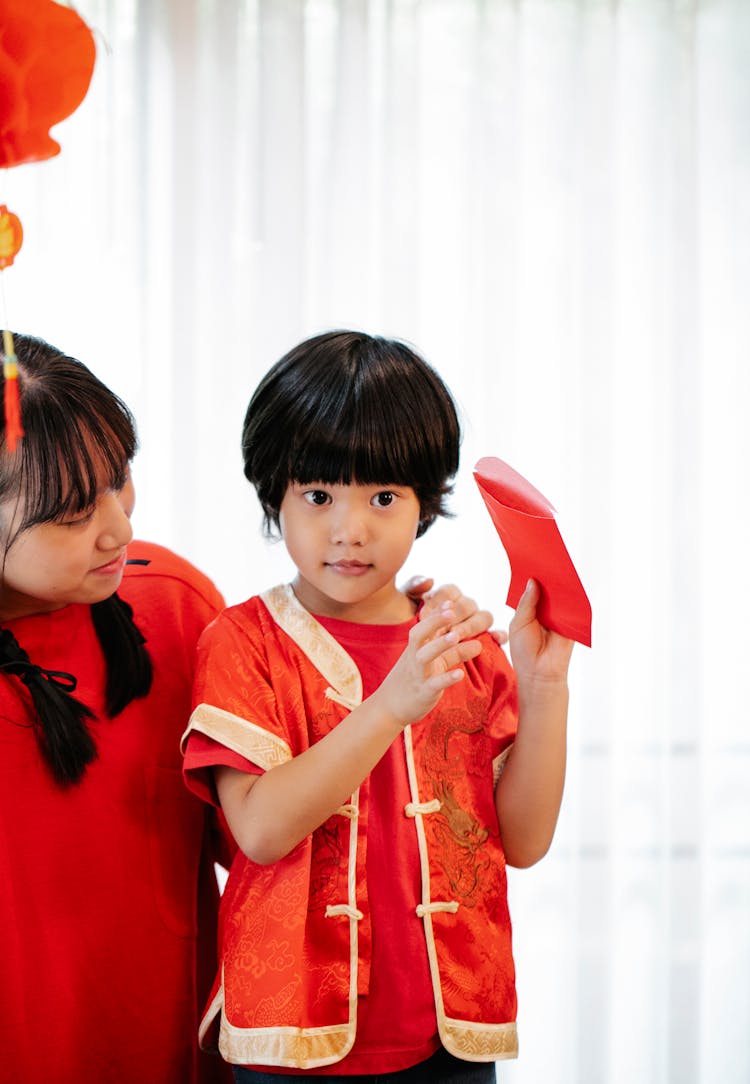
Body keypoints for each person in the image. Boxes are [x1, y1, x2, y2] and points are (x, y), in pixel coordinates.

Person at [182, 330, 574, 1083]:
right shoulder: (244, 641)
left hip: (448, 1037)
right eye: (318, 495)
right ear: (275, 497)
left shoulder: (462, 642)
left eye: (384, 497)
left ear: (426, 504)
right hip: (293, 1040)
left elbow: (521, 842)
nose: (349, 530)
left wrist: (544, 686)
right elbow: (259, 831)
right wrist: (391, 704)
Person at [0, 332, 233, 1083]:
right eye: (72, 514)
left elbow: (269, 847)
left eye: (120, 478)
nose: (119, 527)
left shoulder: (175, 606)